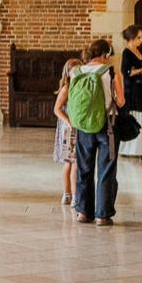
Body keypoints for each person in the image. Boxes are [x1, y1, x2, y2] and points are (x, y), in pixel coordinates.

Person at [58, 38, 125, 225]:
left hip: (82, 125)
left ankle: (83, 212)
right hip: (107, 126)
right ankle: (102, 215)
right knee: (106, 169)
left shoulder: (76, 71)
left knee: (84, 169)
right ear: (105, 55)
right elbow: (121, 102)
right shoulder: (111, 72)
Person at [117, 25, 142, 158]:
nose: (141, 40)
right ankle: (132, 149)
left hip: (141, 86)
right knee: (136, 112)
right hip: (132, 88)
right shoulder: (126, 52)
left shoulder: (139, 51)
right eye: (139, 37)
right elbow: (126, 72)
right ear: (131, 38)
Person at [52, 57, 82, 205]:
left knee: (75, 161)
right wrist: (69, 122)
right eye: (72, 70)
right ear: (67, 72)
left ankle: (72, 195)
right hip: (68, 128)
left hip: (78, 125)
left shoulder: (80, 85)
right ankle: (70, 194)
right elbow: (57, 109)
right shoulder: (66, 88)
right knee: (70, 162)